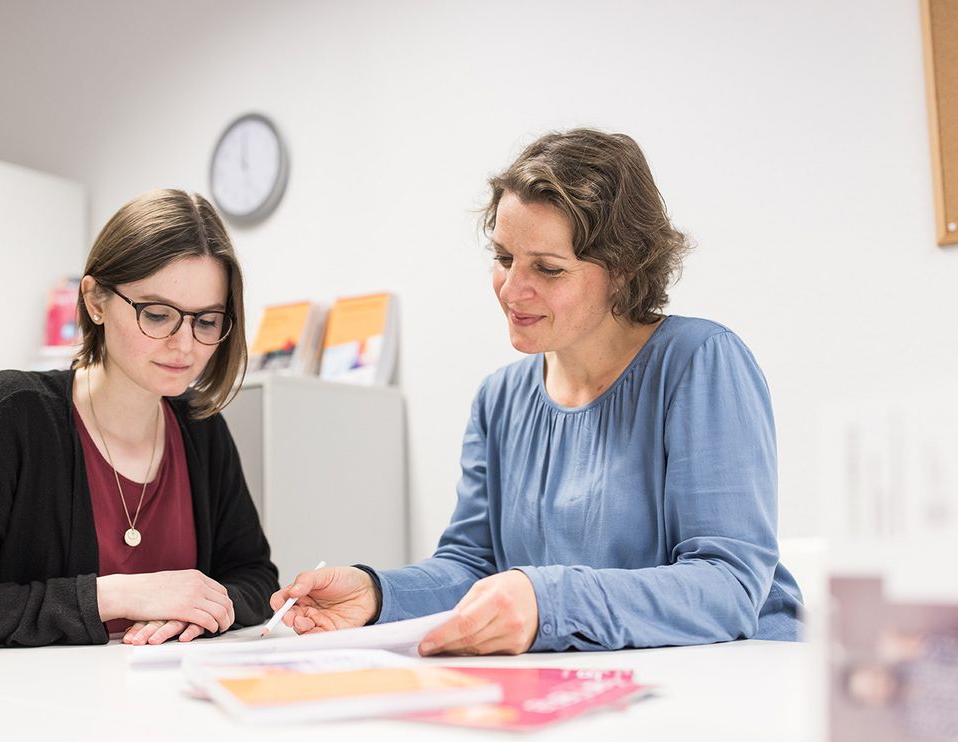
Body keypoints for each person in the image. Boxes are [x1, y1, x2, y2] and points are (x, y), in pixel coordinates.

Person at [271, 129, 804, 655]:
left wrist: (546, 600)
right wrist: (379, 594)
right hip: (580, 686)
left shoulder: (700, 362)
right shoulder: (499, 399)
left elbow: (728, 586)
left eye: (547, 269)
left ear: (623, 270)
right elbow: (473, 568)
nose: (512, 290)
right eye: (504, 258)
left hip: (726, 682)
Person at [0, 189, 277, 652]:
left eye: (206, 322)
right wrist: (114, 596)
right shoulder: (5, 414)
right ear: (94, 301)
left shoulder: (200, 426)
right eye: (156, 315)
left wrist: (198, 613)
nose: (185, 345)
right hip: (27, 713)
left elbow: (255, 578)